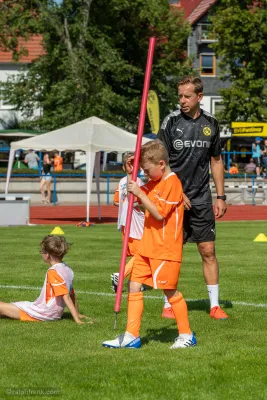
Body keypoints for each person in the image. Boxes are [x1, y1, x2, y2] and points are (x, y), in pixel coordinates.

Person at [103, 140, 196, 349]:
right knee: (133, 286)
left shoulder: (172, 183)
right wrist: (130, 174)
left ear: (161, 164)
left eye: (147, 169)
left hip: (165, 249)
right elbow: (132, 195)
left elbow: (158, 213)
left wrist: (141, 193)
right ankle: (131, 335)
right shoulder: (153, 182)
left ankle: (186, 335)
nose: (144, 174)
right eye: (142, 170)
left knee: (169, 291)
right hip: (147, 246)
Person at [158, 75, 228, 320]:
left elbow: (216, 161)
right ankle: (169, 304)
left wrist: (220, 196)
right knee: (171, 252)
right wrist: (176, 192)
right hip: (173, 198)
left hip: (201, 198)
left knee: (208, 250)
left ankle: (215, 306)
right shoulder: (170, 122)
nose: (182, 101)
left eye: (187, 96)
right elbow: (160, 163)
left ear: (200, 97)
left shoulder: (212, 123)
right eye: (180, 96)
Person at [0, 235, 90, 324]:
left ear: (47, 255)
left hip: (43, 313)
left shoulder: (53, 272)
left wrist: (77, 321)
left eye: (42, 251)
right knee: (3, 306)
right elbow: (72, 294)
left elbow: (66, 296)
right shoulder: (68, 269)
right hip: (51, 312)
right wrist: (77, 313)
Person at [111, 152, 145, 292]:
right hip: (135, 222)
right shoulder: (137, 182)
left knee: (135, 254)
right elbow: (139, 202)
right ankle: (120, 275)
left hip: (126, 221)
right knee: (141, 254)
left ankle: (137, 281)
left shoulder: (122, 181)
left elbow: (115, 201)